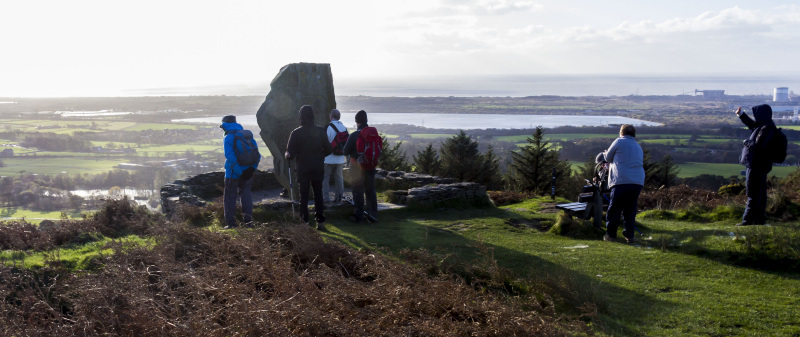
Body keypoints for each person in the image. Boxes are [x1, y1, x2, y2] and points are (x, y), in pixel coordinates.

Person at [285, 105, 333, 229]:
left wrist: (287, 155)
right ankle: (320, 221)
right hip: (317, 166)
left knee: (304, 196)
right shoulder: (321, 131)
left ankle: (304, 222)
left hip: (303, 168)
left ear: (300, 116)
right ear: (312, 116)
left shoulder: (296, 133)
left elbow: (290, 154)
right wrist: (321, 156)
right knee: (318, 194)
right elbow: (329, 149)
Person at [601, 124, 645, 243]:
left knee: (614, 209)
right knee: (630, 210)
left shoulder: (619, 141)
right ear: (633, 134)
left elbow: (608, 158)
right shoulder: (637, 146)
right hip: (637, 182)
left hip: (622, 180)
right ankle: (629, 236)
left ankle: (611, 235)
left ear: (621, 133)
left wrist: (605, 153)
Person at [736, 104, 776, 226]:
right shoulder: (766, 126)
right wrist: (741, 115)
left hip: (756, 165)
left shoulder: (766, 128)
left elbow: (758, 146)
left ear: (761, 115)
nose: (755, 117)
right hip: (760, 164)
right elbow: (752, 125)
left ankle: (747, 221)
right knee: (760, 193)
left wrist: (746, 142)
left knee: (752, 193)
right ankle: (759, 220)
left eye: (757, 114)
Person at [221, 115, 260, 229]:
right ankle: (249, 223)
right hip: (248, 172)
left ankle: (231, 224)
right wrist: (251, 169)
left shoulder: (228, 138)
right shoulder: (247, 135)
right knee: (246, 196)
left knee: (230, 198)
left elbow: (230, 157)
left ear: (224, 124)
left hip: (233, 174)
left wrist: (239, 172)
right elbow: (257, 155)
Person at [343, 110, 378, 223]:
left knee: (357, 191)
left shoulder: (354, 135)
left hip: (356, 167)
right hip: (370, 166)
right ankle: (373, 215)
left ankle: (359, 216)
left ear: (357, 122)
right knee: (370, 190)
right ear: (366, 120)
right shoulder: (373, 133)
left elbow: (345, 151)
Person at [323, 109, 347, 204]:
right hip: (340, 158)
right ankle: (339, 198)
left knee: (325, 178)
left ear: (331, 116)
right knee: (339, 178)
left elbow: (324, 142)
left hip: (328, 158)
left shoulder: (328, 127)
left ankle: (326, 198)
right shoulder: (343, 127)